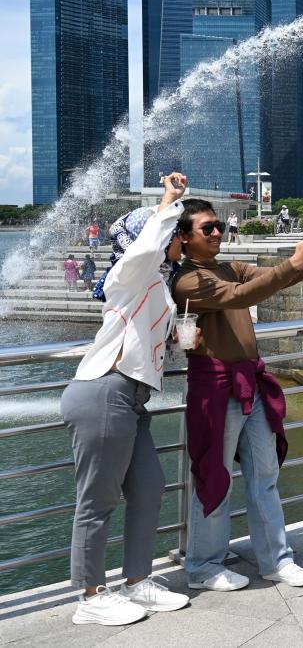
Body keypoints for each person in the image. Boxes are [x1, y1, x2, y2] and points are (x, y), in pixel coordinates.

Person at [61, 174, 193, 626]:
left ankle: (137, 581)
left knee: (150, 487)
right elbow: (142, 251)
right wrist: (168, 204)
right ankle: (90, 596)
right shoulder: (129, 273)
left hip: (131, 400)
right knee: (97, 501)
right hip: (103, 391)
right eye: (176, 235)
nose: (180, 241)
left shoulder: (154, 286)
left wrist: (177, 337)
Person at [173, 199, 303, 591]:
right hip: (214, 387)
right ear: (185, 237)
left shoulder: (229, 267)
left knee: (266, 475)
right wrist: (294, 264)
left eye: (219, 225)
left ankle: (276, 559)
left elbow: (268, 279)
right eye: (207, 228)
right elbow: (239, 297)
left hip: (251, 383)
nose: (217, 233)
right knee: (214, 477)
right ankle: (204, 565)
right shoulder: (188, 281)